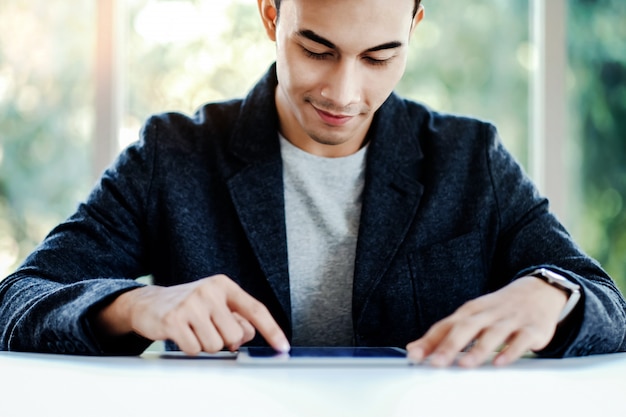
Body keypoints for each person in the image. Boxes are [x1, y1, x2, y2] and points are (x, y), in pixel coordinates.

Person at [1, 0, 625, 368]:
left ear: (414, 25)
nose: (344, 94)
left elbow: (606, 302)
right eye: (317, 49)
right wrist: (132, 306)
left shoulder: (472, 159)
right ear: (271, 14)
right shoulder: (172, 156)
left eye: (379, 57)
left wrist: (553, 296)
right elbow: (18, 299)